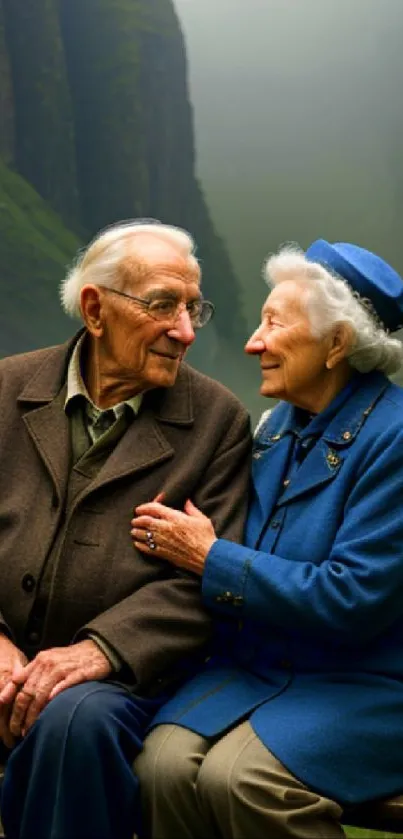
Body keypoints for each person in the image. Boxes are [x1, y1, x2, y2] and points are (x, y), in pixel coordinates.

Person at [132, 239, 403, 839]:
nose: (254, 342)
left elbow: (352, 597)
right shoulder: (279, 425)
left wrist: (209, 556)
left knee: (244, 780)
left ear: (337, 345)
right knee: (161, 767)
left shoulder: (397, 438)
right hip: (260, 672)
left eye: (274, 324)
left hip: (366, 687)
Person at [0, 219, 251, 839]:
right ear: (95, 309)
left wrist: (98, 651)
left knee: (73, 722)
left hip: (123, 681)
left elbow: (207, 579)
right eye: (164, 305)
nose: (185, 332)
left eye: (195, 309)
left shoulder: (219, 421)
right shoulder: (6, 389)